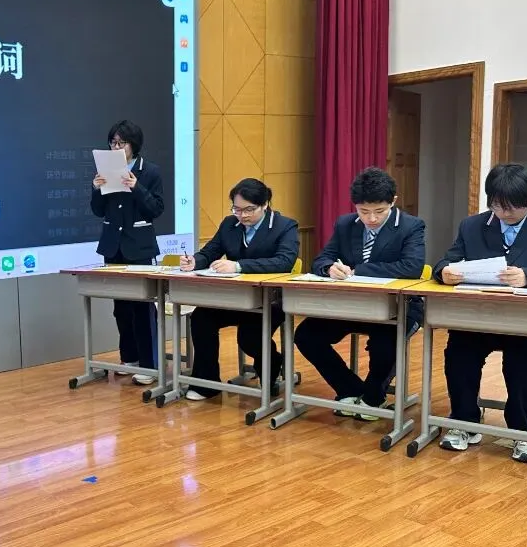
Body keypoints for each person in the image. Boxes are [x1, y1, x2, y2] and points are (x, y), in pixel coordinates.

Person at [434, 163, 527, 463]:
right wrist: (444, 272)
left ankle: (525, 432)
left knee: (524, 359)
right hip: (480, 317)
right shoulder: (472, 225)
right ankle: (465, 421)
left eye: (512, 206)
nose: (503, 213)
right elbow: (447, 261)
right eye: (496, 205)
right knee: (458, 352)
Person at [295, 167, 426, 419]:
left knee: (385, 342)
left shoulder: (411, 226)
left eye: (379, 211)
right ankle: (350, 389)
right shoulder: (346, 224)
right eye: (364, 211)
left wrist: (358, 270)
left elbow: (412, 267)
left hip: (398, 307)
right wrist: (329, 268)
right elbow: (321, 259)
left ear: (393, 201)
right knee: (306, 335)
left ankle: (373, 397)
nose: (371, 218)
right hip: (352, 304)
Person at [179, 179, 299, 399]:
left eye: (249, 210)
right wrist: (195, 261)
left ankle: (273, 365)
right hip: (236, 298)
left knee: (249, 337)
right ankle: (207, 383)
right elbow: (210, 251)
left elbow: (284, 262)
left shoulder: (285, 226)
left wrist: (238, 266)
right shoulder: (229, 224)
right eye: (237, 209)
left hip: (271, 300)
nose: (242, 215)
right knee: (201, 318)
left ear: (265, 204)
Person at [91, 120, 165, 385]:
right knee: (120, 308)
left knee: (142, 308)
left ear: (134, 145)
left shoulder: (150, 171)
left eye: (121, 143)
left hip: (139, 247)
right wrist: (96, 189)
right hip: (113, 246)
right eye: (112, 142)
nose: (116, 147)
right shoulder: (105, 170)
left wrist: (137, 187)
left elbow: (156, 209)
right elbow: (98, 210)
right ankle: (130, 358)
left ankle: (149, 365)